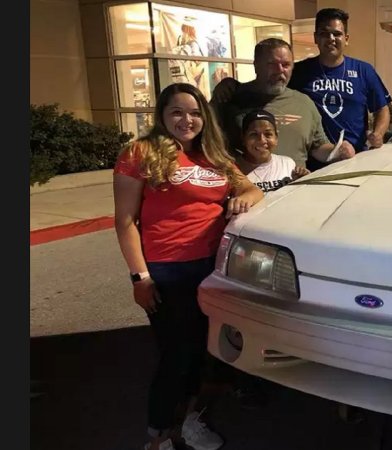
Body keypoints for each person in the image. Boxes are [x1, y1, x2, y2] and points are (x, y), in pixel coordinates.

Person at [113, 82, 264, 450]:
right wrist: (140, 277)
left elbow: (252, 189)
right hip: (167, 270)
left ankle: (193, 421)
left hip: (213, 270)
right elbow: (125, 221)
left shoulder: (214, 154)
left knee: (208, 353)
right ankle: (159, 434)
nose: (187, 120)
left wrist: (243, 197)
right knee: (175, 357)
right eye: (177, 112)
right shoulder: (141, 152)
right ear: (162, 116)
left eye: (195, 112)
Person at [211, 38, 355, 173]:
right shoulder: (228, 98)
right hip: (246, 193)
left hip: (294, 191)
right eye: (272, 64)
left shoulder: (304, 103)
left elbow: (318, 147)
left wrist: (338, 151)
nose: (280, 70)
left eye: (286, 65)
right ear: (256, 66)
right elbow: (207, 143)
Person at [289, 8, 392, 162]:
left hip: (355, 159)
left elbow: (382, 108)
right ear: (315, 38)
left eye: (337, 34)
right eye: (324, 33)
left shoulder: (364, 70)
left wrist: (378, 134)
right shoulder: (299, 72)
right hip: (312, 163)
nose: (331, 38)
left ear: (346, 38)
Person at [239, 109, 310, 193]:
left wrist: (305, 179)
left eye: (268, 134)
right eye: (254, 134)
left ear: (276, 138)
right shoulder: (232, 169)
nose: (262, 140)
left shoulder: (287, 163)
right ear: (243, 139)